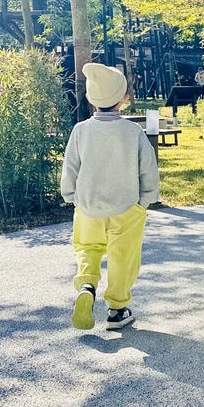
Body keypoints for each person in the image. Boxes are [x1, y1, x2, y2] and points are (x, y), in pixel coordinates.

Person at [61, 62, 160, 331]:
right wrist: (146, 199)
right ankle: (117, 310)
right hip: (126, 207)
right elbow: (147, 169)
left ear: (91, 98)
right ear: (122, 99)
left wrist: (71, 195)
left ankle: (87, 285)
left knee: (88, 248)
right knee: (123, 256)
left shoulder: (80, 131)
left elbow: (70, 165)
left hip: (88, 206)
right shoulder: (132, 132)